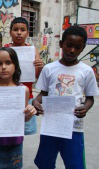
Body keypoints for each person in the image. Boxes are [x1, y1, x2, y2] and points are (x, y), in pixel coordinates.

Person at [33, 26, 99, 169]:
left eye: (77, 47)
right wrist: (35, 102)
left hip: (73, 127)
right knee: (45, 163)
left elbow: (90, 98)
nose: (72, 50)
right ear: (61, 44)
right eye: (69, 45)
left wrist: (85, 108)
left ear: (83, 48)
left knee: (75, 164)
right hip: (51, 125)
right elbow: (43, 93)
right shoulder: (49, 68)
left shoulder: (86, 71)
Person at [0, 47, 37, 169]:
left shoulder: (23, 90)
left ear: (15, 65)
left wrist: (29, 114)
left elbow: (24, 119)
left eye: (8, 62)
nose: (4, 67)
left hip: (15, 144)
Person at [4, 17, 44, 135]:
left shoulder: (32, 50)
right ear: (10, 32)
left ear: (27, 33)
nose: (19, 32)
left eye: (23, 30)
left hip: (26, 96)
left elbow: (36, 77)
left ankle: (17, 153)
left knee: (23, 131)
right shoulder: (5, 48)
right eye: (15, 29)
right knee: (8, 128)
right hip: (8, 95)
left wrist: (40, 66)